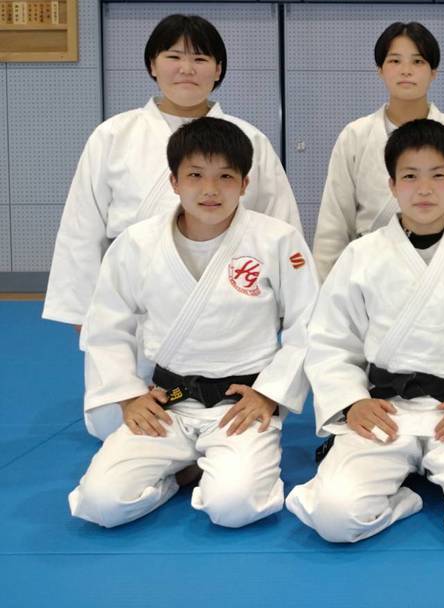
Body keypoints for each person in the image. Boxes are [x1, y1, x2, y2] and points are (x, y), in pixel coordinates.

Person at [43, 14, 301, 438]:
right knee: (121, 422)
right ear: (152, 64)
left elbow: (279, 225)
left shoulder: (249, 139)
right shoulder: (114, 135)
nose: (186, 69)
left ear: (218, 69)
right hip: (136, 300)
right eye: (173, 57)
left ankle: (202, 448)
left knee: (227, 419)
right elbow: (81, 227)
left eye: (200, 59)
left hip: (224, 304)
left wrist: (278, 306)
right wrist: (85, 307)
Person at [287, 119, 444, 542]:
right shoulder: (362, 254)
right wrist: (352, 402)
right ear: (391, 185)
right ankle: (404, 501)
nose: (424, 189)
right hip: (385, 410)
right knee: (334, 518)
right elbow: (330, 340)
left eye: (437, 176)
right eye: (410, 176)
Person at [68, 118, 318, 528]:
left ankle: (205, 471)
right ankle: (182, 476)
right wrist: (128, 396)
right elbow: (107, 327)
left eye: (225, 177)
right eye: (195, 175)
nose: (210, 189)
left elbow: (307, 324)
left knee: (234, 507)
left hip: (241, 405)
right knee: (100, 503)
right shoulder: (137, 243)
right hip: (168, 400)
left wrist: (270, 394)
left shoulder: (277, 240)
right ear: (174, 181)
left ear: (245, 183)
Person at [312, 21, 444, 280]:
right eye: (395, 61)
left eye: (418, 61)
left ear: (433, 72)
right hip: (370, 272)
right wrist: (326, 286)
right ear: (380, 69)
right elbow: (334, 223)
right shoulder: (355, 136)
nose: (406, 71)